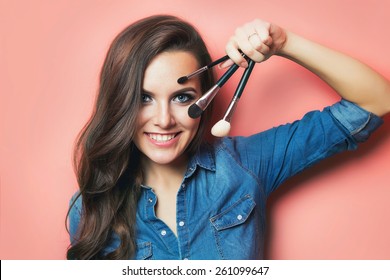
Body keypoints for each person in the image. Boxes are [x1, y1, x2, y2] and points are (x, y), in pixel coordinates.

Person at [66, 15, 390, 260]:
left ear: (205, 98)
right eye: (144, 98)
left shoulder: (242, 164)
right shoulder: (91, 208)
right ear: (119, 103)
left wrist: (285, 42)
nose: (163, 120)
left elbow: (374, 101)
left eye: (181, 97)